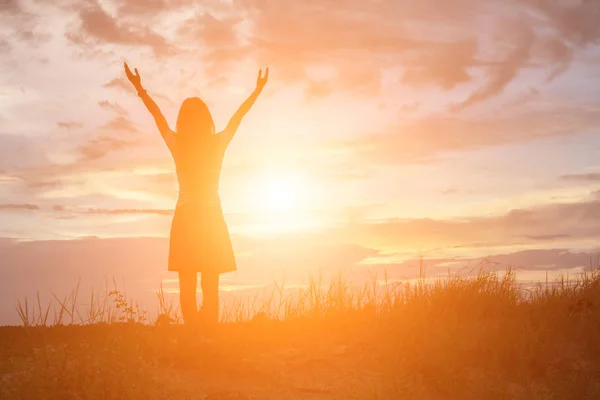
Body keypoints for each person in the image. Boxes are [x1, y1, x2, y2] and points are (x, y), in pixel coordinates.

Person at [124, 62, 269, 329]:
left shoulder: (177, 143)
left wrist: (139, 88)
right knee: (210, 281)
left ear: (183, 120)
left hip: (187, 218)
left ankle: (192, 333)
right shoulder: (218, 143)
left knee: (187, 281)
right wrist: (257, 90)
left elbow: (157, 116)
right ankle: (208, 334)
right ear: (207, 120)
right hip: (211, 218)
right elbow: (238, 117)